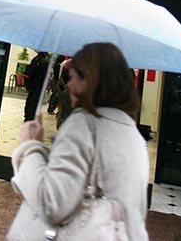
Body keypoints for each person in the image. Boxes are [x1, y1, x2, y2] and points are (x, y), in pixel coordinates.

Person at [9, 43, 149, 240]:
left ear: (88, 81)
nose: (68, 85)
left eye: (73, 77)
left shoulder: (84, 124)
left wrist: (30, 146)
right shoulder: (132, 132)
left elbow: (52, 202)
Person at [23, 51, 49, 122]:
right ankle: (31, 116)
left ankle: (27, 115)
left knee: (30, 99)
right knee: (35, 101)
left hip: (32, 84)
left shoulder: (35, 59)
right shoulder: (44, 62)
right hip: (38, 84)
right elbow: (44, 75)